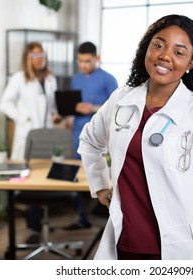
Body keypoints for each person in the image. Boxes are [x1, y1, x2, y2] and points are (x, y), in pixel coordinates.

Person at [78, 14, 193, 260]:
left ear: (190, 63)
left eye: (179, 52)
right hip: (125, 241)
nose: (165, 55)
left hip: (180, 249)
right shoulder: (121, 100)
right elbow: (90, 141)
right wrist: (100, 185)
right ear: (146, 48)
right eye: (158, 45)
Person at [0, 41, 61, 242]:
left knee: (45, 177)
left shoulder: (50, 78)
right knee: (29, 177)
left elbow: (52, 106)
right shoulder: (19, 78)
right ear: (28, 58)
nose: (39, 59)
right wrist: (22, 118)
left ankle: (41, 223)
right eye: (34, 55)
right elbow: (5, 103)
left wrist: (55, 115)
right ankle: (33, 225)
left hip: (46, 135)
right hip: (27, 134)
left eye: (41, 55)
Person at [65, 42, 118, 229]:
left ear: (97, 58)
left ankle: (109, 218)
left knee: (103, 175)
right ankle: (82, 218)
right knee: (80, 175)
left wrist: (94, 108)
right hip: (79, 131)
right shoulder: (76, 80)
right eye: (80, 61)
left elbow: (117, 109)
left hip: (102, 137)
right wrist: (68, 116)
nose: (83, 65)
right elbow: (75, 104)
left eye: (87, 61)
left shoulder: (109, 80)